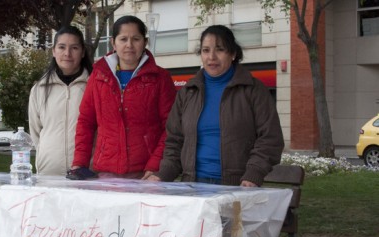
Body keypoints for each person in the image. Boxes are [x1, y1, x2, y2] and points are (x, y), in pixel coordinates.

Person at [147, 25, 284, 186]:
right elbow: (174, 141)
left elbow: (270, 138)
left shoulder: (253, 89)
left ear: (232, 54)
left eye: (219, 50)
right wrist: (164, 173)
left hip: (237, 186)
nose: (211, 57)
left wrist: (253, 174)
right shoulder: (188, 92)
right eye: (205, 50)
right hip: (192, 185)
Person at [71, 15, 177, 179]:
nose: (129, 45)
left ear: (145, 42)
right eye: (123, 39)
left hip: (145, 174)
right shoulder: (98, 76)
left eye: (136, 39)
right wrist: (79, 163)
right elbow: (86, 121)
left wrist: (156, 164)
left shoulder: (160, 78)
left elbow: (170, 127)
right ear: (113, 43)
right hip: (105, 172)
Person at [28, 25, 93, 175]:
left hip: (86, 172)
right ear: (53, 51)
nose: (67, 53)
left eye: (74, 48)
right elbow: (36, 131)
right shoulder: (40, 89)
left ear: (83, 52)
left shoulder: (94, 86)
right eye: (62, 47)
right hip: (49, 173)